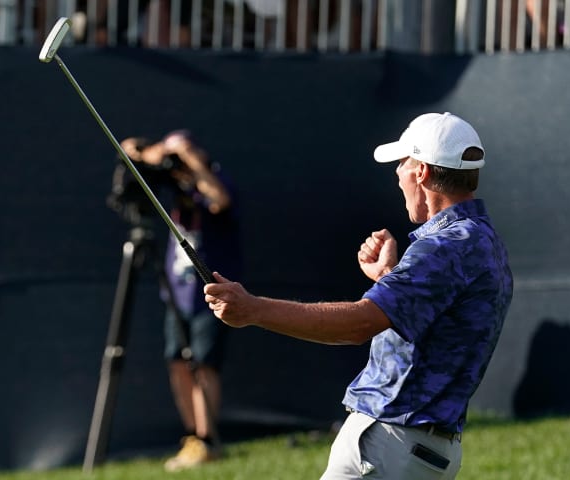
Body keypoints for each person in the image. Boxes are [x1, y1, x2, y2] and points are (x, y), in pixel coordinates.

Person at [203, 112, 513, 479]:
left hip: (389, 446)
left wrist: (253, 310)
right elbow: (440, 325)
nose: (397, 174)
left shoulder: (443, 248)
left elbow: (357, 324)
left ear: (422, 173)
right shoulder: (480, 239)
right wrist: (389, 277)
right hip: (419, 451)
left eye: (402, 163)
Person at [119, 129, 241, 472]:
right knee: (177, 362)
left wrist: (188, 156)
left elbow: (220, 199)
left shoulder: (212, 180)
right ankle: (192, 435)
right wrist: (147, 152)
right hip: (177, 292)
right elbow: (132, 151)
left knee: (203, 364)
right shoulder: (173, 188)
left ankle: (207, 439)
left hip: (209, 292)